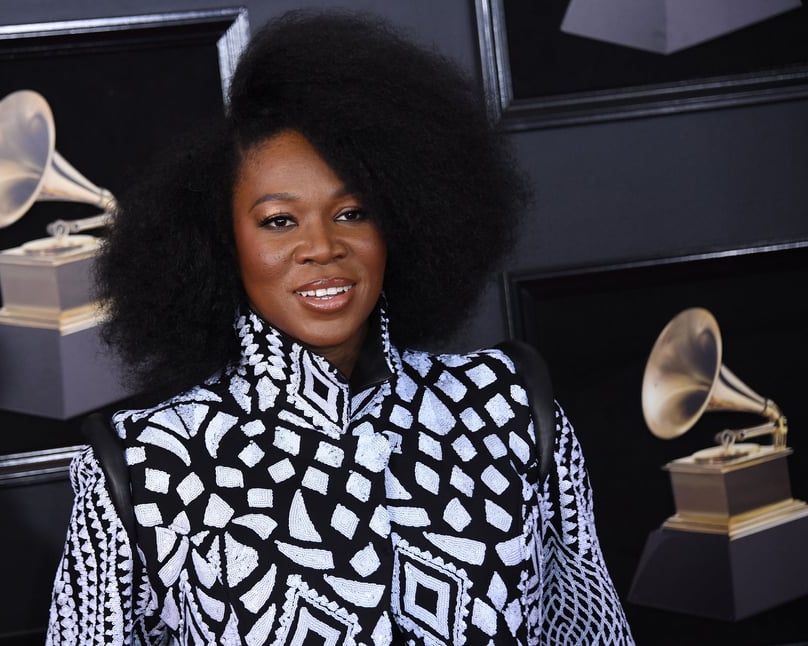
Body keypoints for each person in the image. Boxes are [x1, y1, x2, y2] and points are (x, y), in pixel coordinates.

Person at [46, 9, 633, 645]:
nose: (322, 247)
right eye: (279, 221)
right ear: (221, 243)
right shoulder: (142, 465)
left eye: (352, 212)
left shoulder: (508, 407)